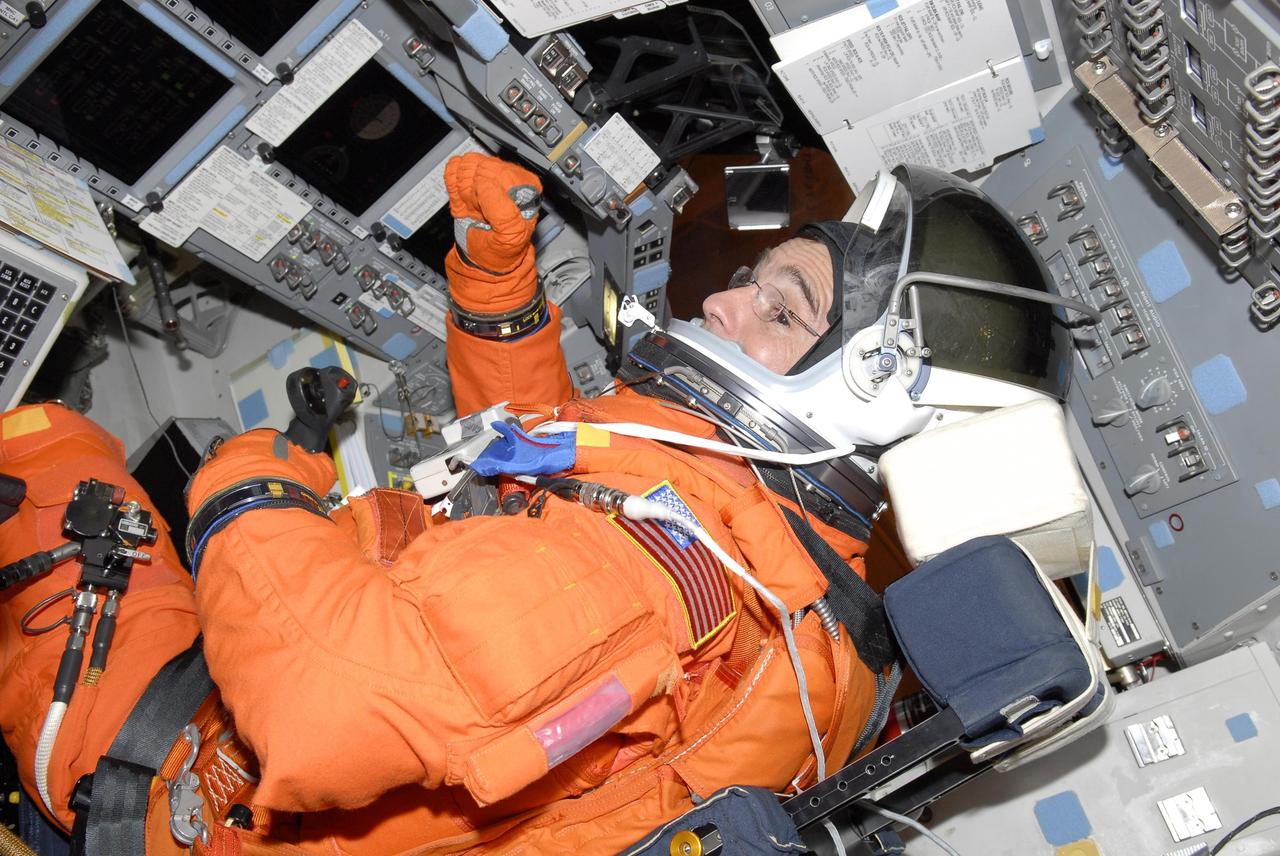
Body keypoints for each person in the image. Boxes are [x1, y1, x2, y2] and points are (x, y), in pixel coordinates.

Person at [0, 151, 1069, 855]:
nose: (720, 300)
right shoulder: (804, 590)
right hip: (324, 679)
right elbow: (564, 473)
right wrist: (497, 292)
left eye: (776, 308)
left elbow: (324, 703)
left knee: (45, 446)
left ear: (865, 395)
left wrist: (254, 488)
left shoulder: (656, 577)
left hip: (191, 783)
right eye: (755, 277)